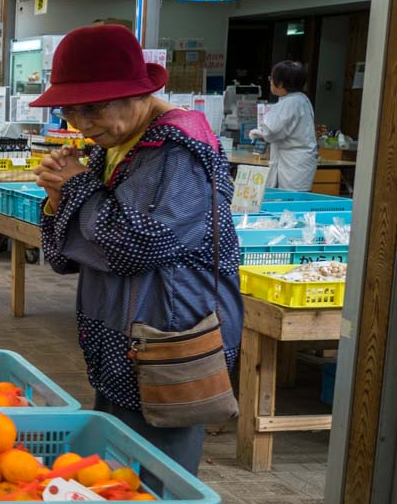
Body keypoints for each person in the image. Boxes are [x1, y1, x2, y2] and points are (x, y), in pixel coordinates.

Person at [33, 24, 241, 479]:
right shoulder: (118, 145)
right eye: (71, 110)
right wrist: (57, 198)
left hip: (166, 341)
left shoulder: (178, 151)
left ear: (138, 93)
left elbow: (139, 244)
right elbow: (67, 257)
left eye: (94, 109)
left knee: (156, 478)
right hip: (123, 340)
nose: (83, 125)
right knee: (116, 470)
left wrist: (77, 188)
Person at [249, 59, 318, 191]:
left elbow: (272, 130)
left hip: (293, 164)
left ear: (280, 83)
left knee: (290, 203)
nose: (270, 81)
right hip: (296, 161)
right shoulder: (300, 99)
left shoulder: (290, 103)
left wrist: (260, 133)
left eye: (271, 78)